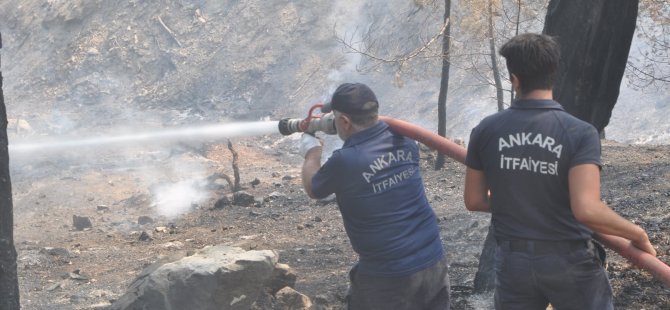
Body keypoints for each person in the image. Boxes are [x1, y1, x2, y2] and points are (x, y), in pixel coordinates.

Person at [463, 33, 656, 309]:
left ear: (514, 79)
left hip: (513, 262)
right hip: (569, 262)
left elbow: (474, 200)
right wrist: (637, 234)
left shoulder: (485, 130)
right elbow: (586, 209)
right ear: (553, 73)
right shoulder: (579, 133)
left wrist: (519, 202)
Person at [299, 82, 450, 310]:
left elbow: (314, 188)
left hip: (387, 277)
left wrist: (312, 153)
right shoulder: (405, 139)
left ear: (345, 122)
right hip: (433, 262)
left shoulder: (346, 160)